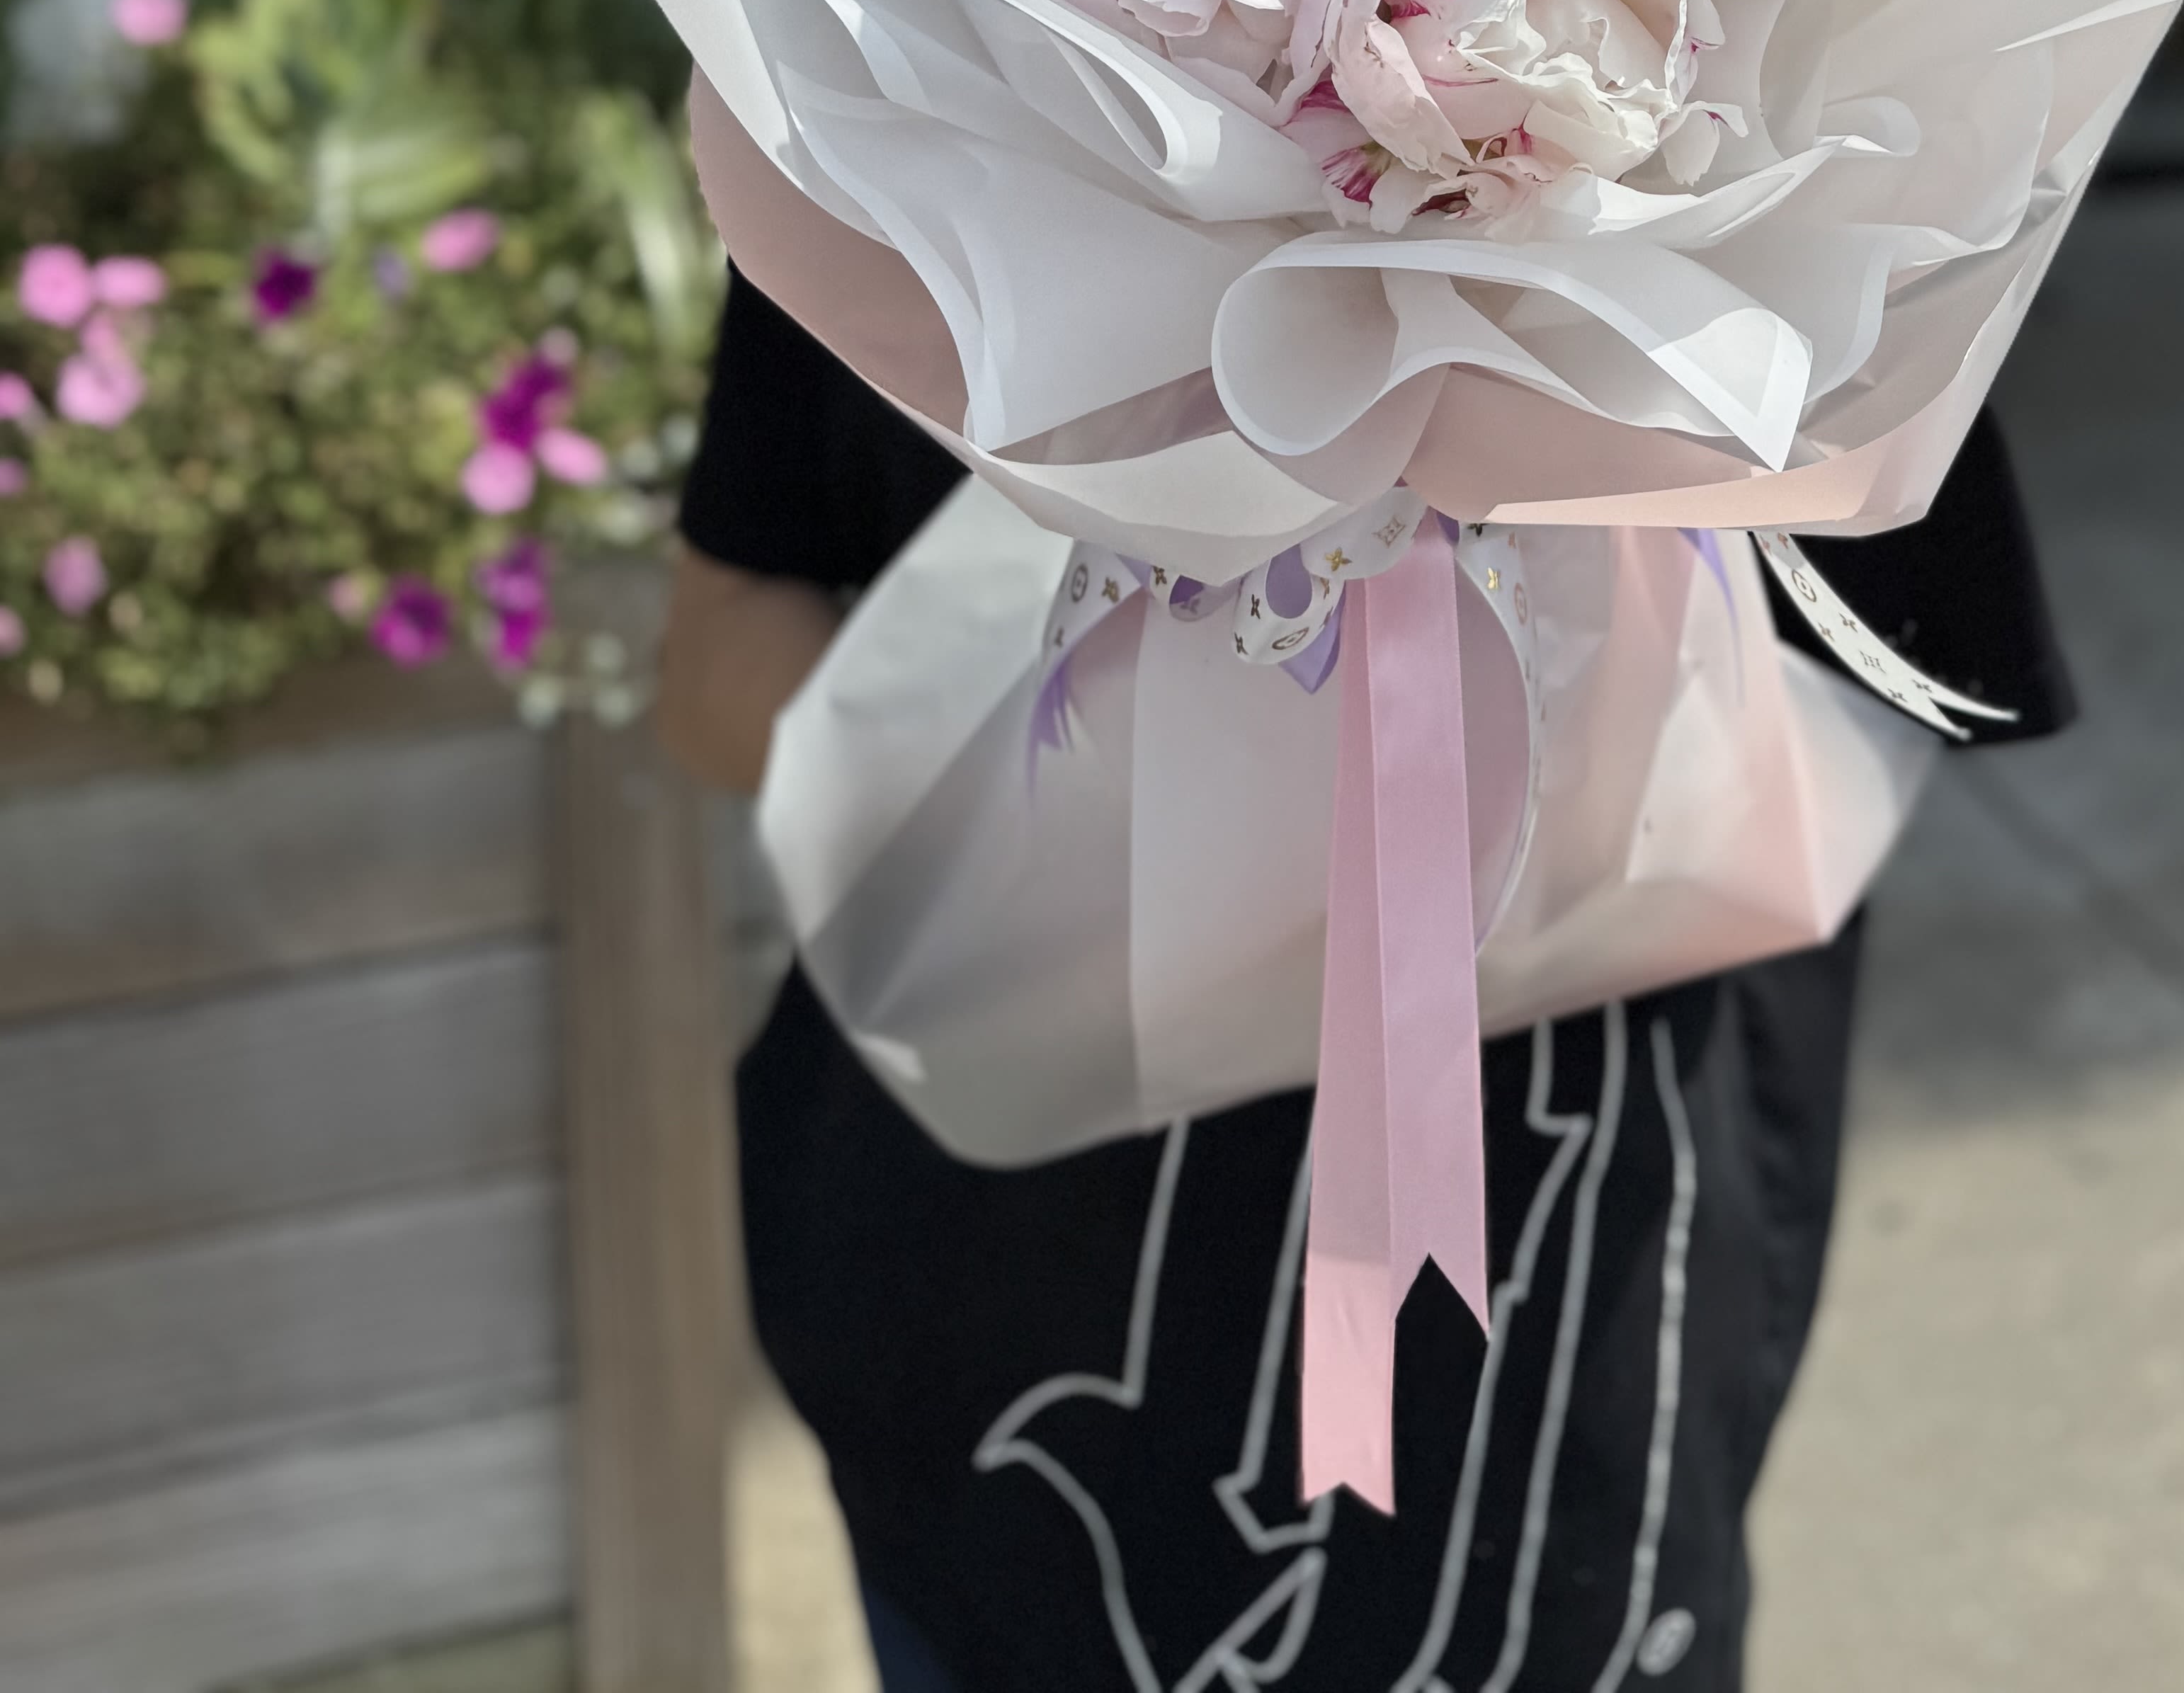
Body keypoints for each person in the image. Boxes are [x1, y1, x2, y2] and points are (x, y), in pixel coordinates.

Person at [664, 268, 2071, 1693]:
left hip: (1533, 1346)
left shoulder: (1772, 193)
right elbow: (719, 649)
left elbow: (1897, 646)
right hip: (1030, 1326)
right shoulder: (922, 142)